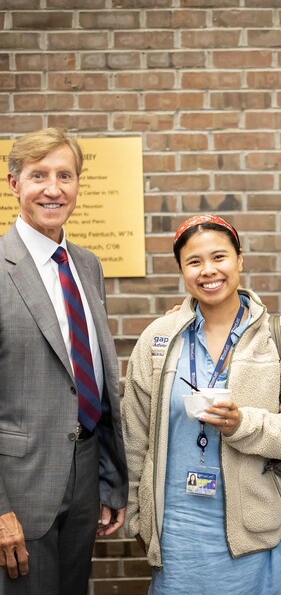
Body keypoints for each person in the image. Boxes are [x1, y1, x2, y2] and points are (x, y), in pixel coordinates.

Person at [122, 214, 281, 594]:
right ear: (182, 270)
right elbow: (135, 436)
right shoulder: (158, 339)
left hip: (251, 527)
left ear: (240, 259)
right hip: (176, 529)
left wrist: (242, 425)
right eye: (194, 261)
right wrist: (139, 518)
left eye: (219, 257)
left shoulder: (280, 336)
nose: (208, 271)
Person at [0, 128, 128, 594]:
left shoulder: (87, 265)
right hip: (17, 489)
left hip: (84, 477)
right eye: (39, 175)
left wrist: (109, 480)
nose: (53, 189)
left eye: (65, 176)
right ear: (15, 184)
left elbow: (92, 376)